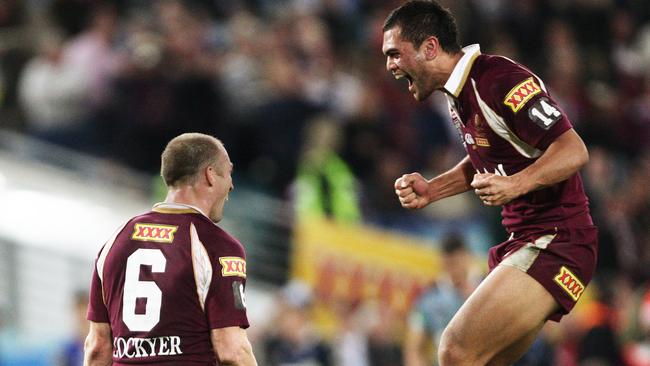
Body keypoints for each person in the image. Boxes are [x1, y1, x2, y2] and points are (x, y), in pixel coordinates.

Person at [382, 1, 598, 365]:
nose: (389, 65)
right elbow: (490, 154)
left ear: (430, 47)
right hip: (531, 241)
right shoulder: (460, 93)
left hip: (557, 240)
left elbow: (572, 149)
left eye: (394, 53)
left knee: (455, 349)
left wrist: (515, 185)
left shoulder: (497, 79)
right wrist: (434, 189)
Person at [84, 133, 257, 365]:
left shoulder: (116, 241)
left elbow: (97, 347)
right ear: (210, 175)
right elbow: (232, 350)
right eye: (229, 173)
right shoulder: (216, 245)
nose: (232, 185)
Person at [404, 234, 478, 366]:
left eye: (456, 263)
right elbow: (413, 349)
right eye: (448, 265)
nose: (453, 271)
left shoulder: (488, 285)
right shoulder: (428, 299)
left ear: (468, 258)